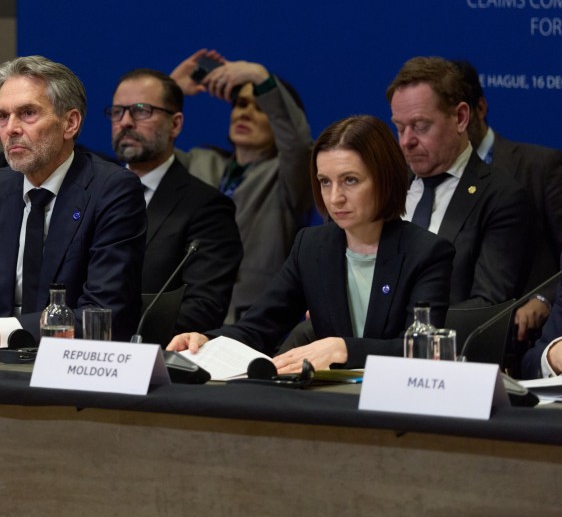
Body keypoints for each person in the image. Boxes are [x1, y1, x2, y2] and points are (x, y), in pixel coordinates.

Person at [168, 115, 455, 371]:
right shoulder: (312, 246)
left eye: (350, 180)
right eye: (325, 181)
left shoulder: (426, 252)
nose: (335, 198)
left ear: (385, 180)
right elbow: (258, 326)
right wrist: (209, 341)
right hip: (327, 400)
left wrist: (344, 348)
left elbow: (423, 350)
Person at [0, 55, 146, 350]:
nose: (10, 129)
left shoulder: (111, 190)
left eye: (27, 113)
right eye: (3, 116)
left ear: (70, 123)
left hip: (75, 363)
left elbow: (101, 314)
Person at [170, 49, 313, 321]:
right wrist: (170, 89)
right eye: (241, 104)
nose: (246, 113)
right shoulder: (198, 162)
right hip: (185, 315)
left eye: (260, 108)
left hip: (252, 323)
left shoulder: (289, 178)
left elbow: (298, 145)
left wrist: (259, 76)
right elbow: (146, 154)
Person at [387, 56, 532, 309]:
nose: (406, 141)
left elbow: (486, 306)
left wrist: (409, 327)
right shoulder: (387, 189)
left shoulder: (500, 197)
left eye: (420, 126)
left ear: (461, 117)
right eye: (400, 128)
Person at [109, 68, 242, 333]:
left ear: (176, 124)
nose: (125, 122)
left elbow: (204, 308)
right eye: (117, 112)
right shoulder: (93, 193)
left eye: (141, 111)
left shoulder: (207, 207)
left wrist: (109, 325)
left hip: (154, 351)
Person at [455, 59, 562, 340]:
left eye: (460, 116)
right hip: (454, 331)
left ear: (480, 108)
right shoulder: (425, 179)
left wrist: (545, 298)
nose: (455, 127)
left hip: (521, 336)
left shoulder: (540, 167)